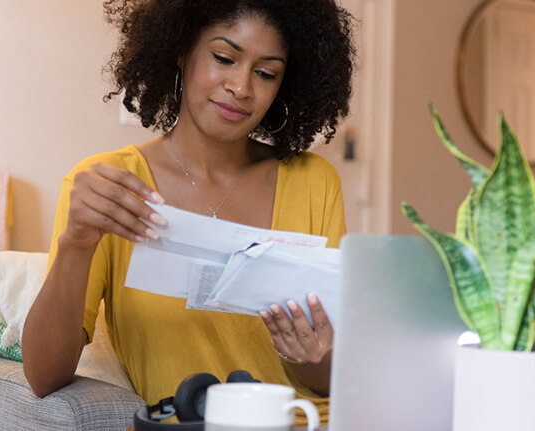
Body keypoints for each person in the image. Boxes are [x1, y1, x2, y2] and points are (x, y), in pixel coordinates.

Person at [21, 0, 354, 424]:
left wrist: (306, 351)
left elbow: (329, 380)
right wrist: (76, 244)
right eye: (224, 58)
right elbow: (43, 377)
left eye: (266, 72)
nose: (242, 87)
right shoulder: (111, 186)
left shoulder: (314, 182)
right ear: (181, 51)